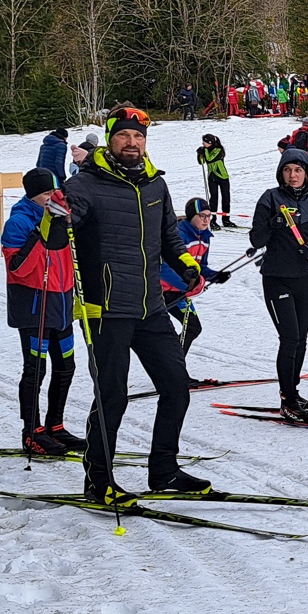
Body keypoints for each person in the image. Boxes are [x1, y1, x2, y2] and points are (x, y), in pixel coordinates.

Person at [64, 106, 225, 503]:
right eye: (124, 136)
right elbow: (56, 236)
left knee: (176, 388)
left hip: (151, 306)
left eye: (139, 137)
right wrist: (54, 216)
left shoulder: (155, 185)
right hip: (106, 309)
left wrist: (188, 267)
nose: (132, 143)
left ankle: (164, 471)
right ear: (111, 140)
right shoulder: (84, 186)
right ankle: (98, 481)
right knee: (112, 397)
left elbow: (169, 237)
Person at [249, 146, 308, 419]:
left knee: (302, 339)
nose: (293, 175)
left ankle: (293, 391)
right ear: (281, 173)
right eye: (287, 170)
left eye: (298, 170)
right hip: (277, 278)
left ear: (307, 172)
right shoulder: (270, 198)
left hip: (306, 278)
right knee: (289, 338)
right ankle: (287, 397)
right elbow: (256, 240)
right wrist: (274, 222)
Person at [1, 167, 80, 456]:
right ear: (33, 195)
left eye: (56, 192)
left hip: (61, 304)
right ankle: (31, 431)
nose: (53, 198)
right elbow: (18, 269)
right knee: (36, 370)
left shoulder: (62, 217)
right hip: (34, 306)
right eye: (47, 194)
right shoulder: (19, 222)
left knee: (66, 367)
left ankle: (55, 426)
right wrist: (42, 232)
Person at [158, 196, 215, 371]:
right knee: (185, 328)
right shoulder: (179, 235)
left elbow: (200, 267)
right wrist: (187, 286)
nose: (206, 220)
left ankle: (172, 369)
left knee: (192, 328)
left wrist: (216, 276)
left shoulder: (204, 237)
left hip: (181, 293)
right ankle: (172, 371)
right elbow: (164, 267)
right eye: (202, 216)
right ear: (192, 217)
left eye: (209, 216)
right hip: (163, 293)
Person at [196, 133, 233, 227]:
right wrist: (199, 154)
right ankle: (213, 220)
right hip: (212, 177)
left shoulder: (218, 150)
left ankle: (226, 219)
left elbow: (210, 159)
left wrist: (205, 151)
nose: (203, 143)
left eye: (205, 142)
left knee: (225, 198)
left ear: (210, 143)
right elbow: (202, 162)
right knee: (213, 199)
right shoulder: (206, 150)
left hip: (222, 176)